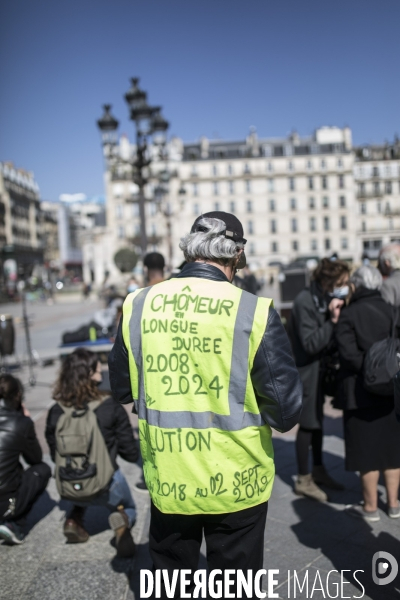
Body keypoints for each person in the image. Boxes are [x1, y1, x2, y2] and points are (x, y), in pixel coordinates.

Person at [109, 211, 302, 597]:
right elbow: (285, 412)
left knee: (170, 584)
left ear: (190, 252)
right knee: (237, 587)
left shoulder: (139, 304)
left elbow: (122, 390)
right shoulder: (253, 310)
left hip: (170, 476)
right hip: (237, 481)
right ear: (235, 256)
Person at [45, 348, 139, 557]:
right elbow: (130, 454)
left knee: (79, 487)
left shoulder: (55, 411)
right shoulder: (109, 406)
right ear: (90, 373)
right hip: (106, 484)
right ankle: (122, 520)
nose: (101, 371)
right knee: (130, 506)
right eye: (98, 368)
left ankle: (73, 519)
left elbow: (54, 455)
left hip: (70, 484)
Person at [335, 265, 400, 521]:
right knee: (393, 450)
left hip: (360, 391)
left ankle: (371, 507)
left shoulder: (349, 314)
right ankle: (394, 504)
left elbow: (347, 354)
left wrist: (370, 367)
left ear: (357, 286)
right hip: (391, 390)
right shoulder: (391, 309)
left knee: (367, 452)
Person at [290, 257, 350, 501]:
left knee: (317, 421)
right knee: (307, 424)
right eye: (341, 283)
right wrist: (333, 322)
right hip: (305, 371)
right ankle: (304, 479)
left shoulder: (320, 297)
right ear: (329, 282)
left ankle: (318, 469)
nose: (344, 287)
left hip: (317, 371)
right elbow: (310, 342)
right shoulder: (305, 301)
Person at [0, 374, 51, 545]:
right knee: (43, 470)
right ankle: (14, 525)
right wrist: (26, 420)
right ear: (18, 396)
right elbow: (35, 459)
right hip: (5, 503)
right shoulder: (20, 423)